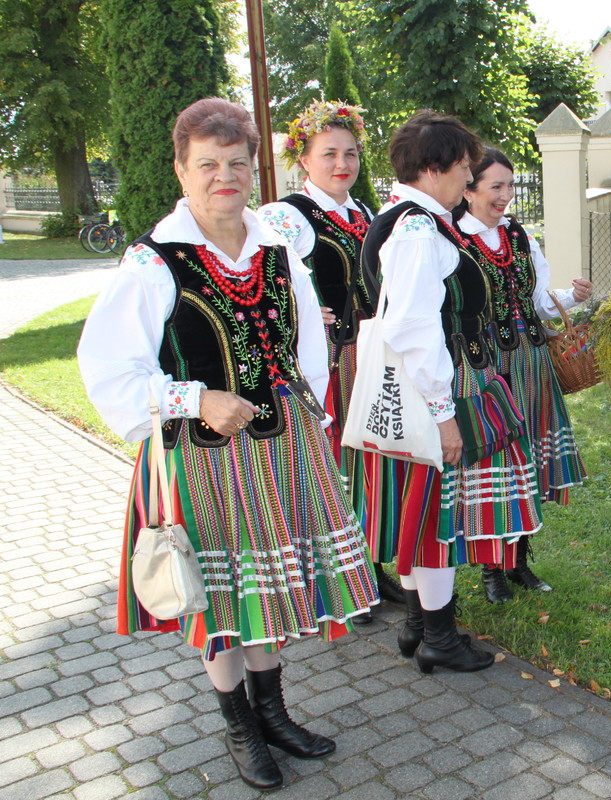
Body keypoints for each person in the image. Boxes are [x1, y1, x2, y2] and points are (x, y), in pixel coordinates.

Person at [77, 98, 377, 790]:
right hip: (201, 460)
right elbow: (110, 371)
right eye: (207, 164)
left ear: (252, 170)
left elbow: (303, 345)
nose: (224, 177)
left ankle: (274, 714)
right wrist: (193, 398)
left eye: (236, 164)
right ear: (181, 171)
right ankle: (241, 728)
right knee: (220, 599)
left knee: (266, 591)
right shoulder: (154, 264)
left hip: (280, 447)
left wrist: (314, 420)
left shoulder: (276, 248)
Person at [362, 111, 542, 672]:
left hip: (425, 384)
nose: (469, 181)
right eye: (465, 169)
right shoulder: (418, 229)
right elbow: (414, 328)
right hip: (434, 387)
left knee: (425, 512)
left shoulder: (408, 220)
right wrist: (443, 414)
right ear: (435, 168)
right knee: (439, 517)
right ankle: (438, 635)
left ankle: (421, 624)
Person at [258, 100, 404, 620]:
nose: (342, 164)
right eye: (329, 154)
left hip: (366, 355)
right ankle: (336, 581)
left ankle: (366, 568)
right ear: (304, 159)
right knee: (330, 466)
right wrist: (297, 314)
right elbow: (261, 283)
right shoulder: (285, 215)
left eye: (350, 153)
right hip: (325, 361)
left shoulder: (364, 212)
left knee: (366, 460)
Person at [453, 147, 591, 603]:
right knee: (495, 464)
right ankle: (491, 570)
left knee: (528, 459)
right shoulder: (453, 238)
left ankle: (520, 562)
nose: (506, 196)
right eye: (496, 186)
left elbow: (535, 301)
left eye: (510, 186)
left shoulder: (519, 236)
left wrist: (570, 298)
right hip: (487, 367)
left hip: (531, 362)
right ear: (468, 189)